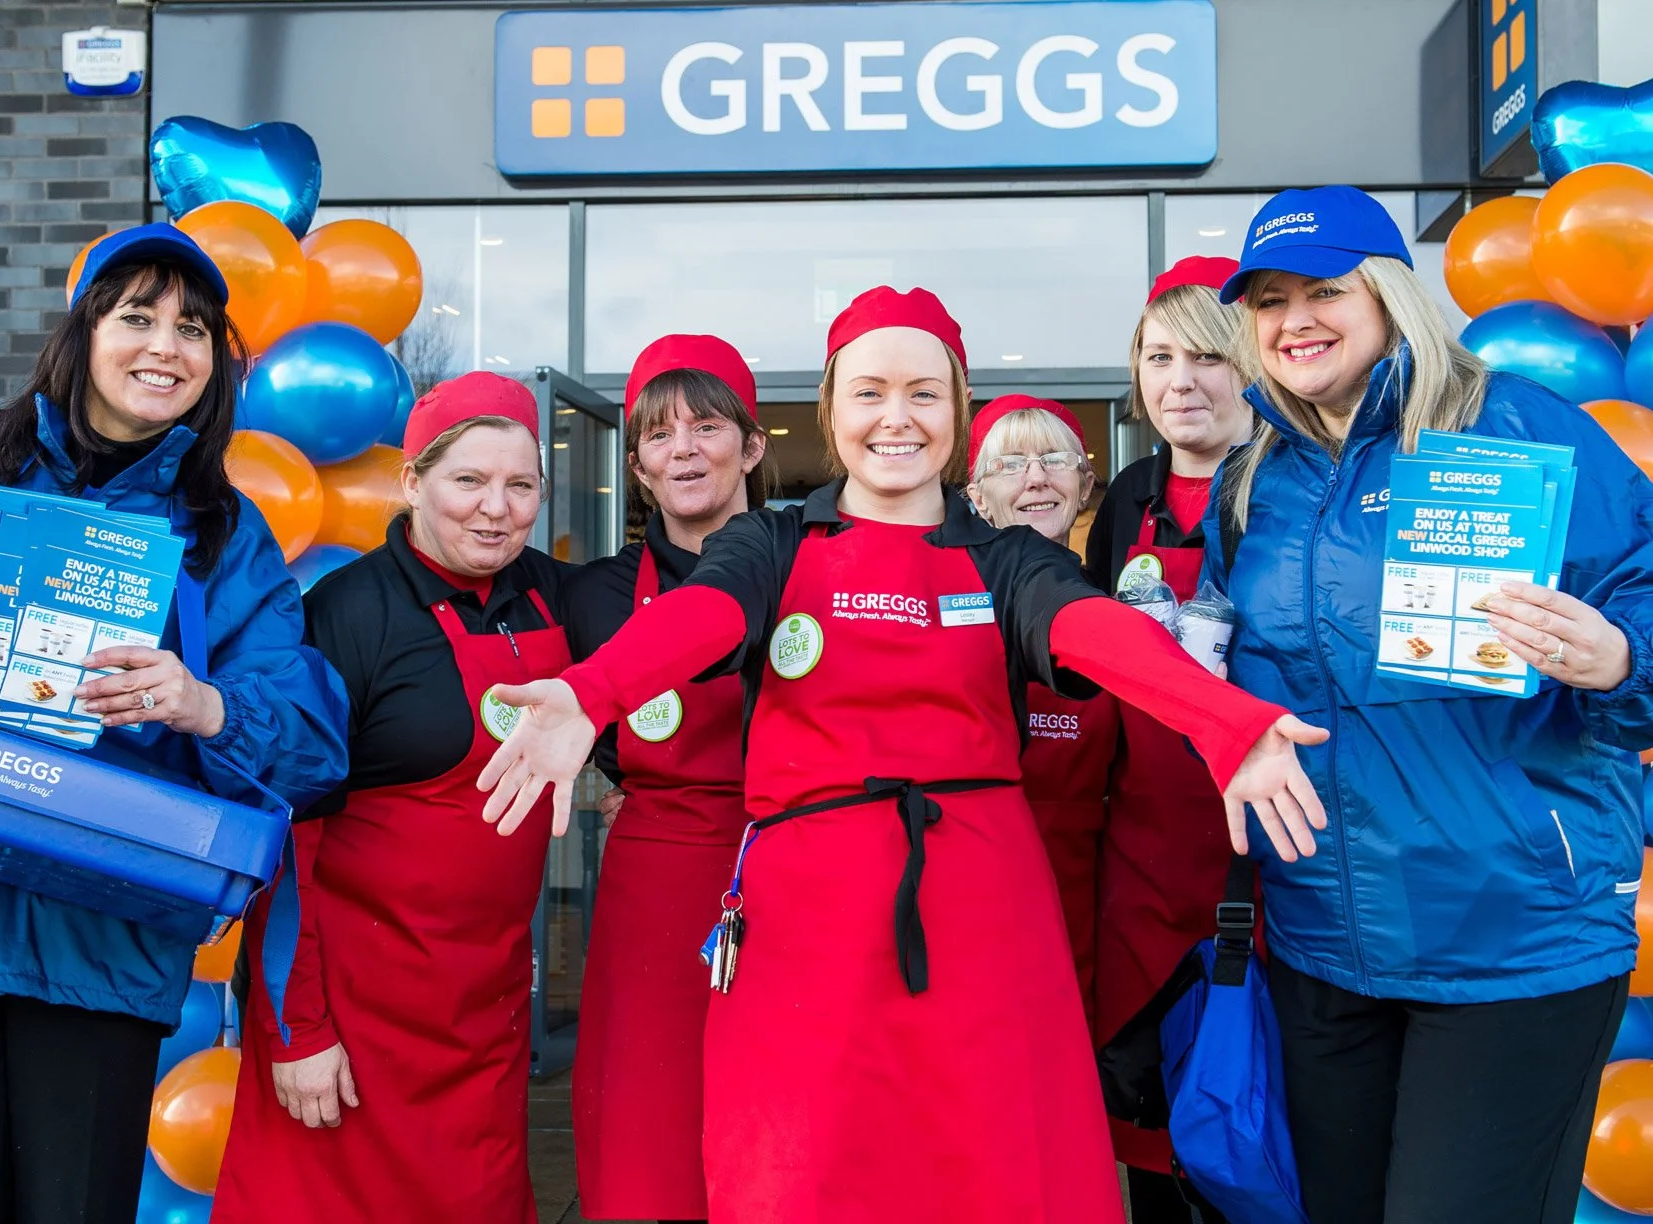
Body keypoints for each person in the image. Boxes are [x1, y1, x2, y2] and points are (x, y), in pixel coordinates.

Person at [477, 286, 1330, 1223]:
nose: (897, 418)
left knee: (994, 1171)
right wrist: (590, 690)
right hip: (806, 924)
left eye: (924, 394)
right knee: (805, 1171)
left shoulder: (1003, 556)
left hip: (985, 916)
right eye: (871, 392)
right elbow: (705, 615)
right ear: (833, 411)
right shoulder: (775, 541)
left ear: (957, 414)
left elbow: (1089, 627)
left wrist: (1217, 714)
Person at [0, 223, 349, 1223]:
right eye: (139, 316)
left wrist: (204, 704)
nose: (167, 344)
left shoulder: (225, 534)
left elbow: (310, 738)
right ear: (82, 331)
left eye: (195, 328)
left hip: (101, 949)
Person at [1206, 185, 1652, 1224]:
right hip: (1325, 941)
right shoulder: (1252, 481)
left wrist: (1623, 653)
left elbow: (1640, 578)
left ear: (1390, 295)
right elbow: (1243, 671)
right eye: (1268, 301)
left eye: (1326, 289)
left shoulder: (1513, 425)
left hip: (1512, 936)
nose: (1295, 320)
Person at [214, 371, 573, 1224]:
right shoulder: (346, 614)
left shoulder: (548, 595)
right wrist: (296, 1029)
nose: (496, 509)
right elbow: (284, 838)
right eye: (468, 481)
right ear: (412, 482)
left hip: (481, 1019)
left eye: (520, 485)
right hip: (353, 1026)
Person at [565, 334, 770, 1223]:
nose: (683, 448)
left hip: (788, 864)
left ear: (752, 446)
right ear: (639, 467)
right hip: (653, 876)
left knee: (775, 1112)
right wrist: (594, 788)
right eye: (658, 434)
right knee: (646, 1116)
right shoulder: (592, 596)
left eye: (707, 425)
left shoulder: (809, 567)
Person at [1084, 256, 1249, 1221]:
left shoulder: (1291, 487)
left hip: (1264, 859)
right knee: (1151, 1127)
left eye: (1205, 356)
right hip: (1143, 857)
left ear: (1249, 367)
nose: (1180, 380)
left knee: (1257, 1117)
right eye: (1158, 358)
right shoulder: (1127, 501)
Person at [964, 394, 1117, 1027]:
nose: (1035, 478)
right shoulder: (942, 611)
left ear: (1084, 484)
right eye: (1011, 464)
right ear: (976, 494)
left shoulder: (1118, 614)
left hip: (1097, 906)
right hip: (972, 898)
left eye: (1054, 459)